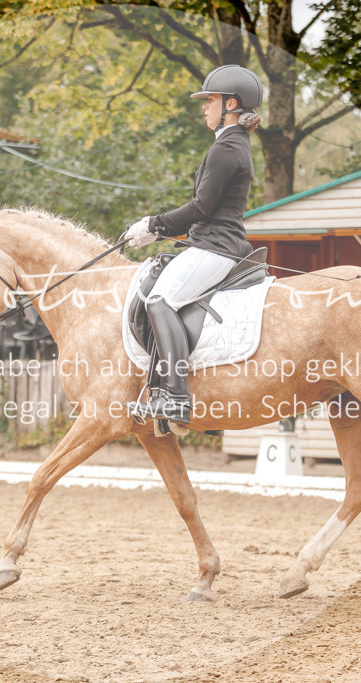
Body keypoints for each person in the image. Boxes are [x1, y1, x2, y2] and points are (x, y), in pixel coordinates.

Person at [124, 64, 263, 424]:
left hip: (215, 248)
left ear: (231, 104)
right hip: (211, 242)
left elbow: (201, 207)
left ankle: (175, 398)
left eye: (210, 100)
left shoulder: (226, 148)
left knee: (158, 300)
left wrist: (154, 225)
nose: (204, 107)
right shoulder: (233, 145)